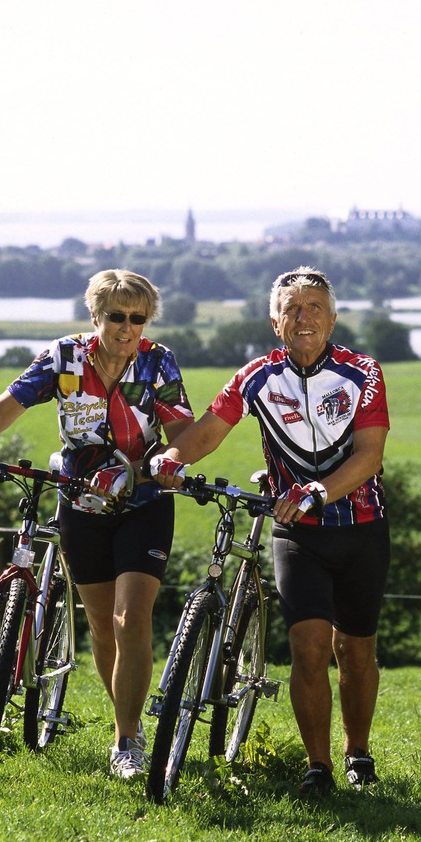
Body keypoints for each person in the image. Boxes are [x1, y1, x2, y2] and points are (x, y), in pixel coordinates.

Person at [152, 267, 390, 797]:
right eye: (292, 309)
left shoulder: (362, 372)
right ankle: (319, 766)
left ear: (332, 318)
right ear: (274, 320)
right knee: (307, 647)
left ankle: (358, 751)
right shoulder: (256, 376)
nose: (303, 318)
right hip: (297, 532)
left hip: (361, 528)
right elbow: (208, 432)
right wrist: (171, 455)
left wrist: (318, 490)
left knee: (354, 650)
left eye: (314, 308)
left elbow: (370, 456)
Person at [0, 269, 194, 780]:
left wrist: (172, 459)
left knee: (132, 619)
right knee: (103, 629)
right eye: (116, 316)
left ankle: (126, 740)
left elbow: (182, 428)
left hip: (144, 504)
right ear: (95, 315)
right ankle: (125, 720)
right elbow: (9, 402)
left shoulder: (157, 361)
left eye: (138, 318)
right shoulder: (65, 357)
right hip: (80, 504)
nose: (128, 328)